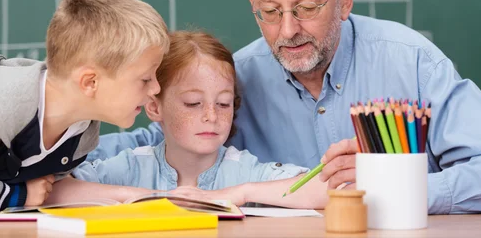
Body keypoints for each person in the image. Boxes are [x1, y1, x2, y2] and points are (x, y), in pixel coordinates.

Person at [90, 0, 481, 214]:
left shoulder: (410, 61)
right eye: (270, 12)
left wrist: (393, 187)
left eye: (308, 8)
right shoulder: (236, 77)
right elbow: (159, 137)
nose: (288, 30)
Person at [0, 0, 169, 215]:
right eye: (145, 79)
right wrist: (12, 196)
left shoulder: (81, 131)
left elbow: (48, 190)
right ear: (90, 83)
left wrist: (136, 197)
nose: (155, 89)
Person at [45, 31, 328, 209]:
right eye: (193, 103)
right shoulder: (132, 166)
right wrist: (152, 196)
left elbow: (327, 189)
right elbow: (53, 191)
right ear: (154, 108)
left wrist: (240, 193)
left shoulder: (241, 170)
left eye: (223, 103)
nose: (211, 116)